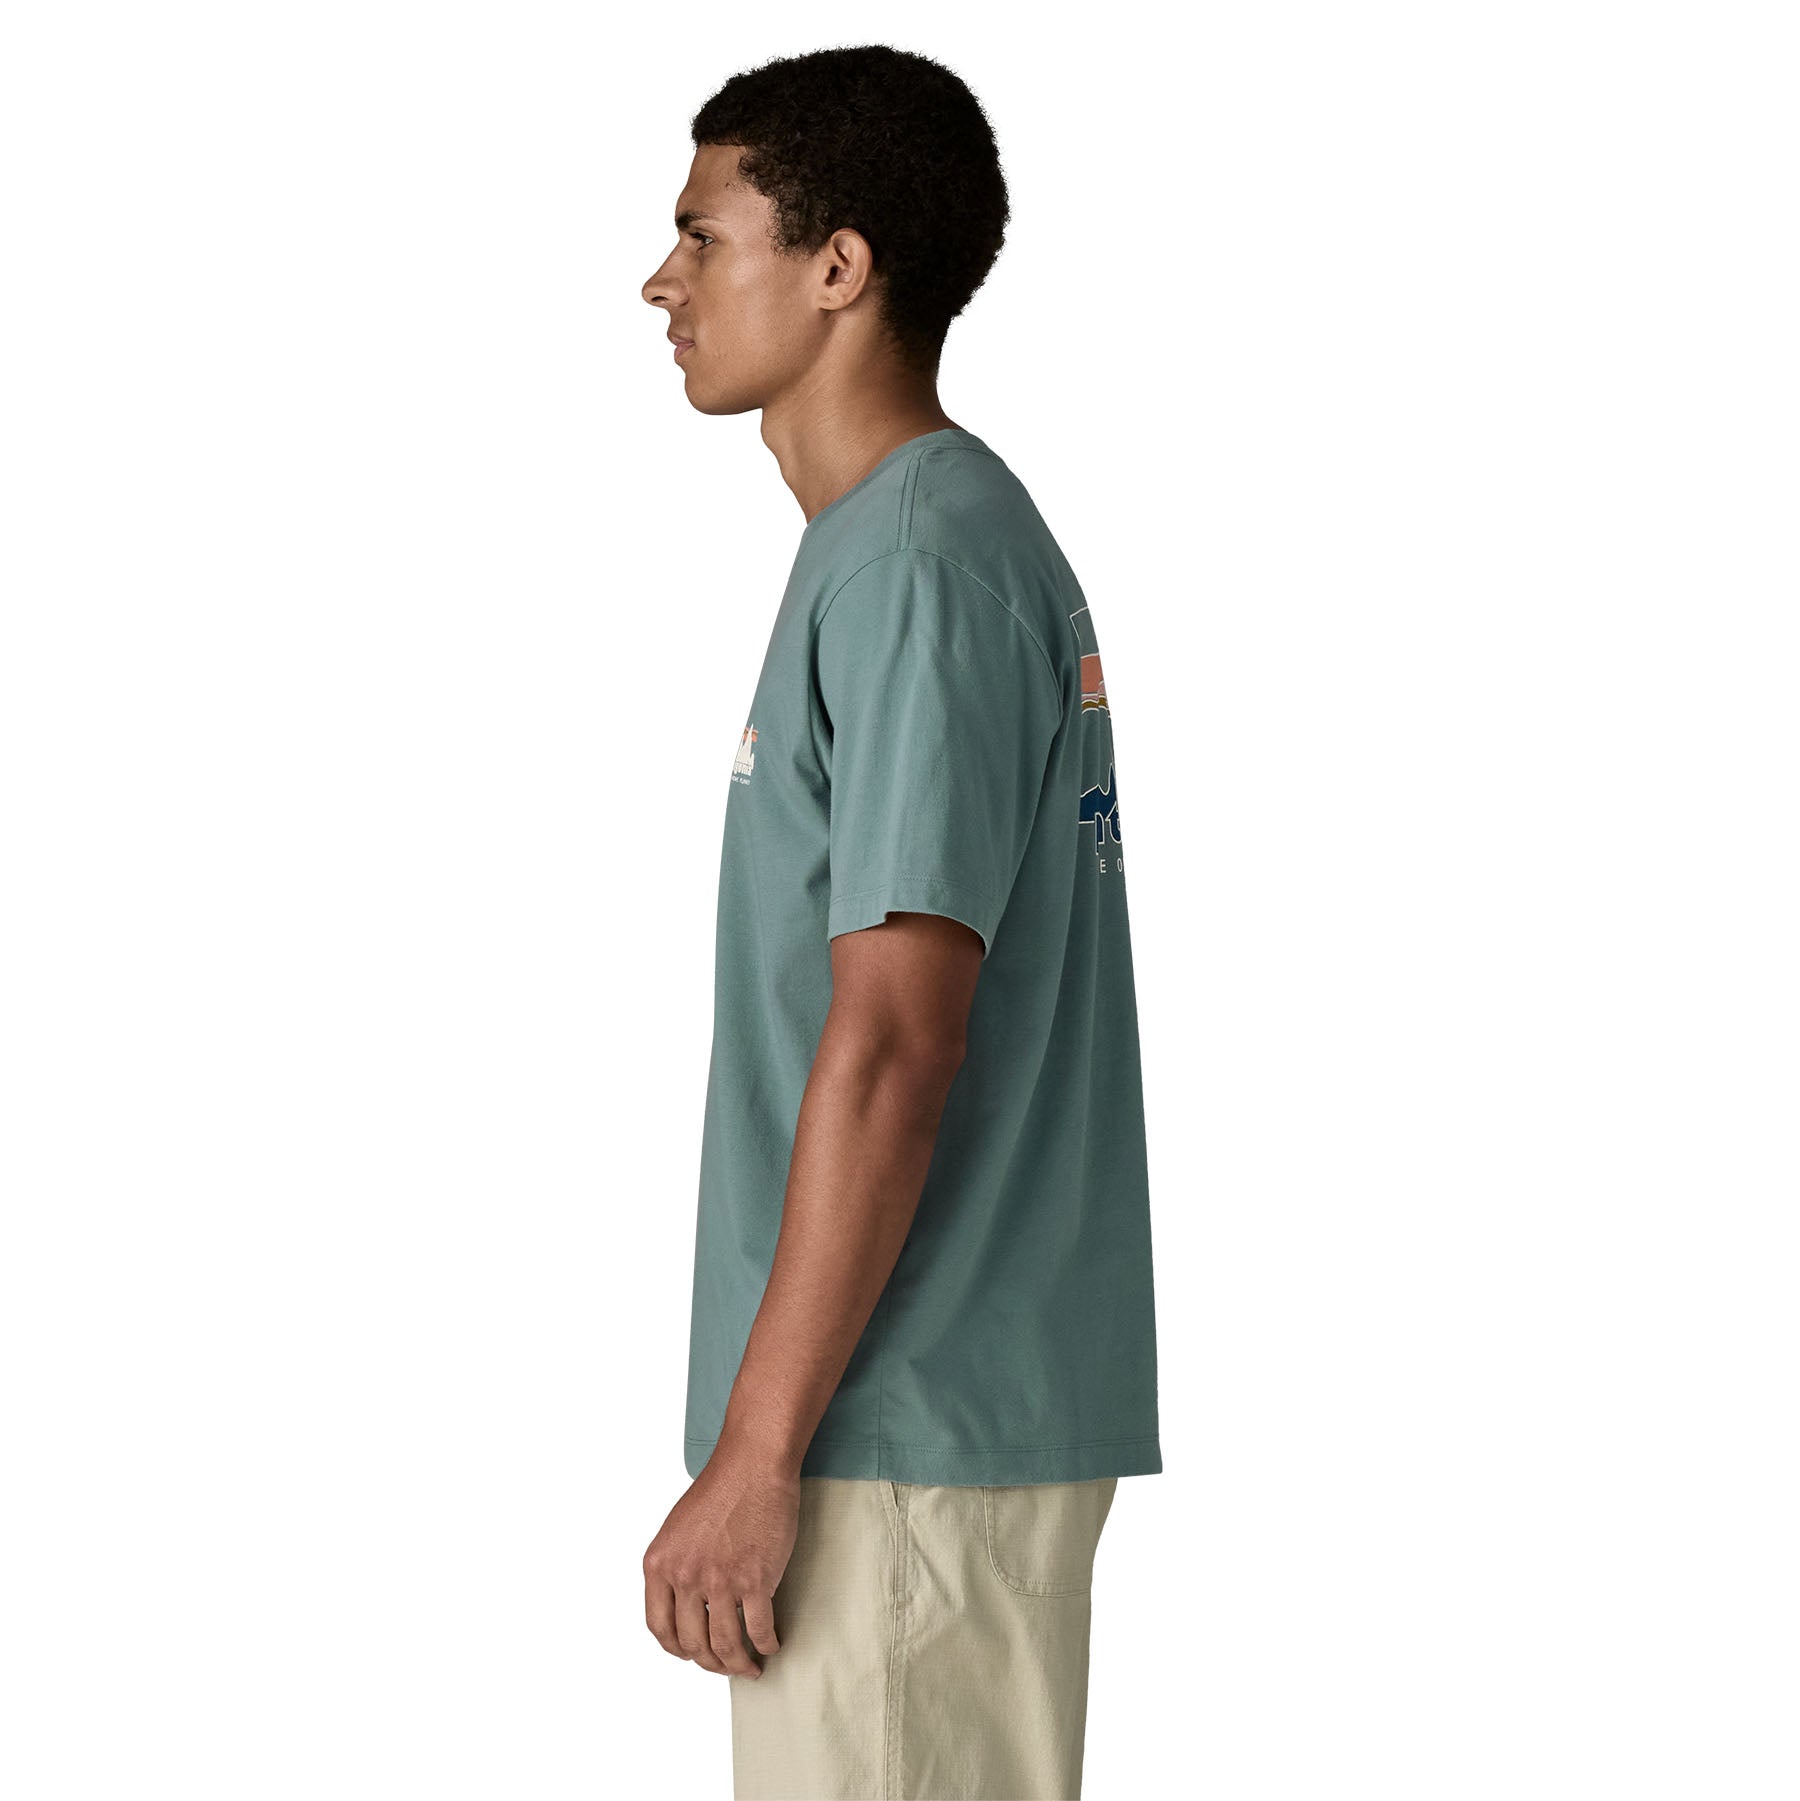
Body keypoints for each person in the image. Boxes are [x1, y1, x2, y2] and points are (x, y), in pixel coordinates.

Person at [638, 44, 1162, 1801]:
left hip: (900, 1438)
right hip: (906, 1433)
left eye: (704, 236)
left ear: (838, 267)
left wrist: (757, 1446)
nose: (662, 281)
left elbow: (893, 1039)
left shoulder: (921, 564)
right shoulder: (896, 550)